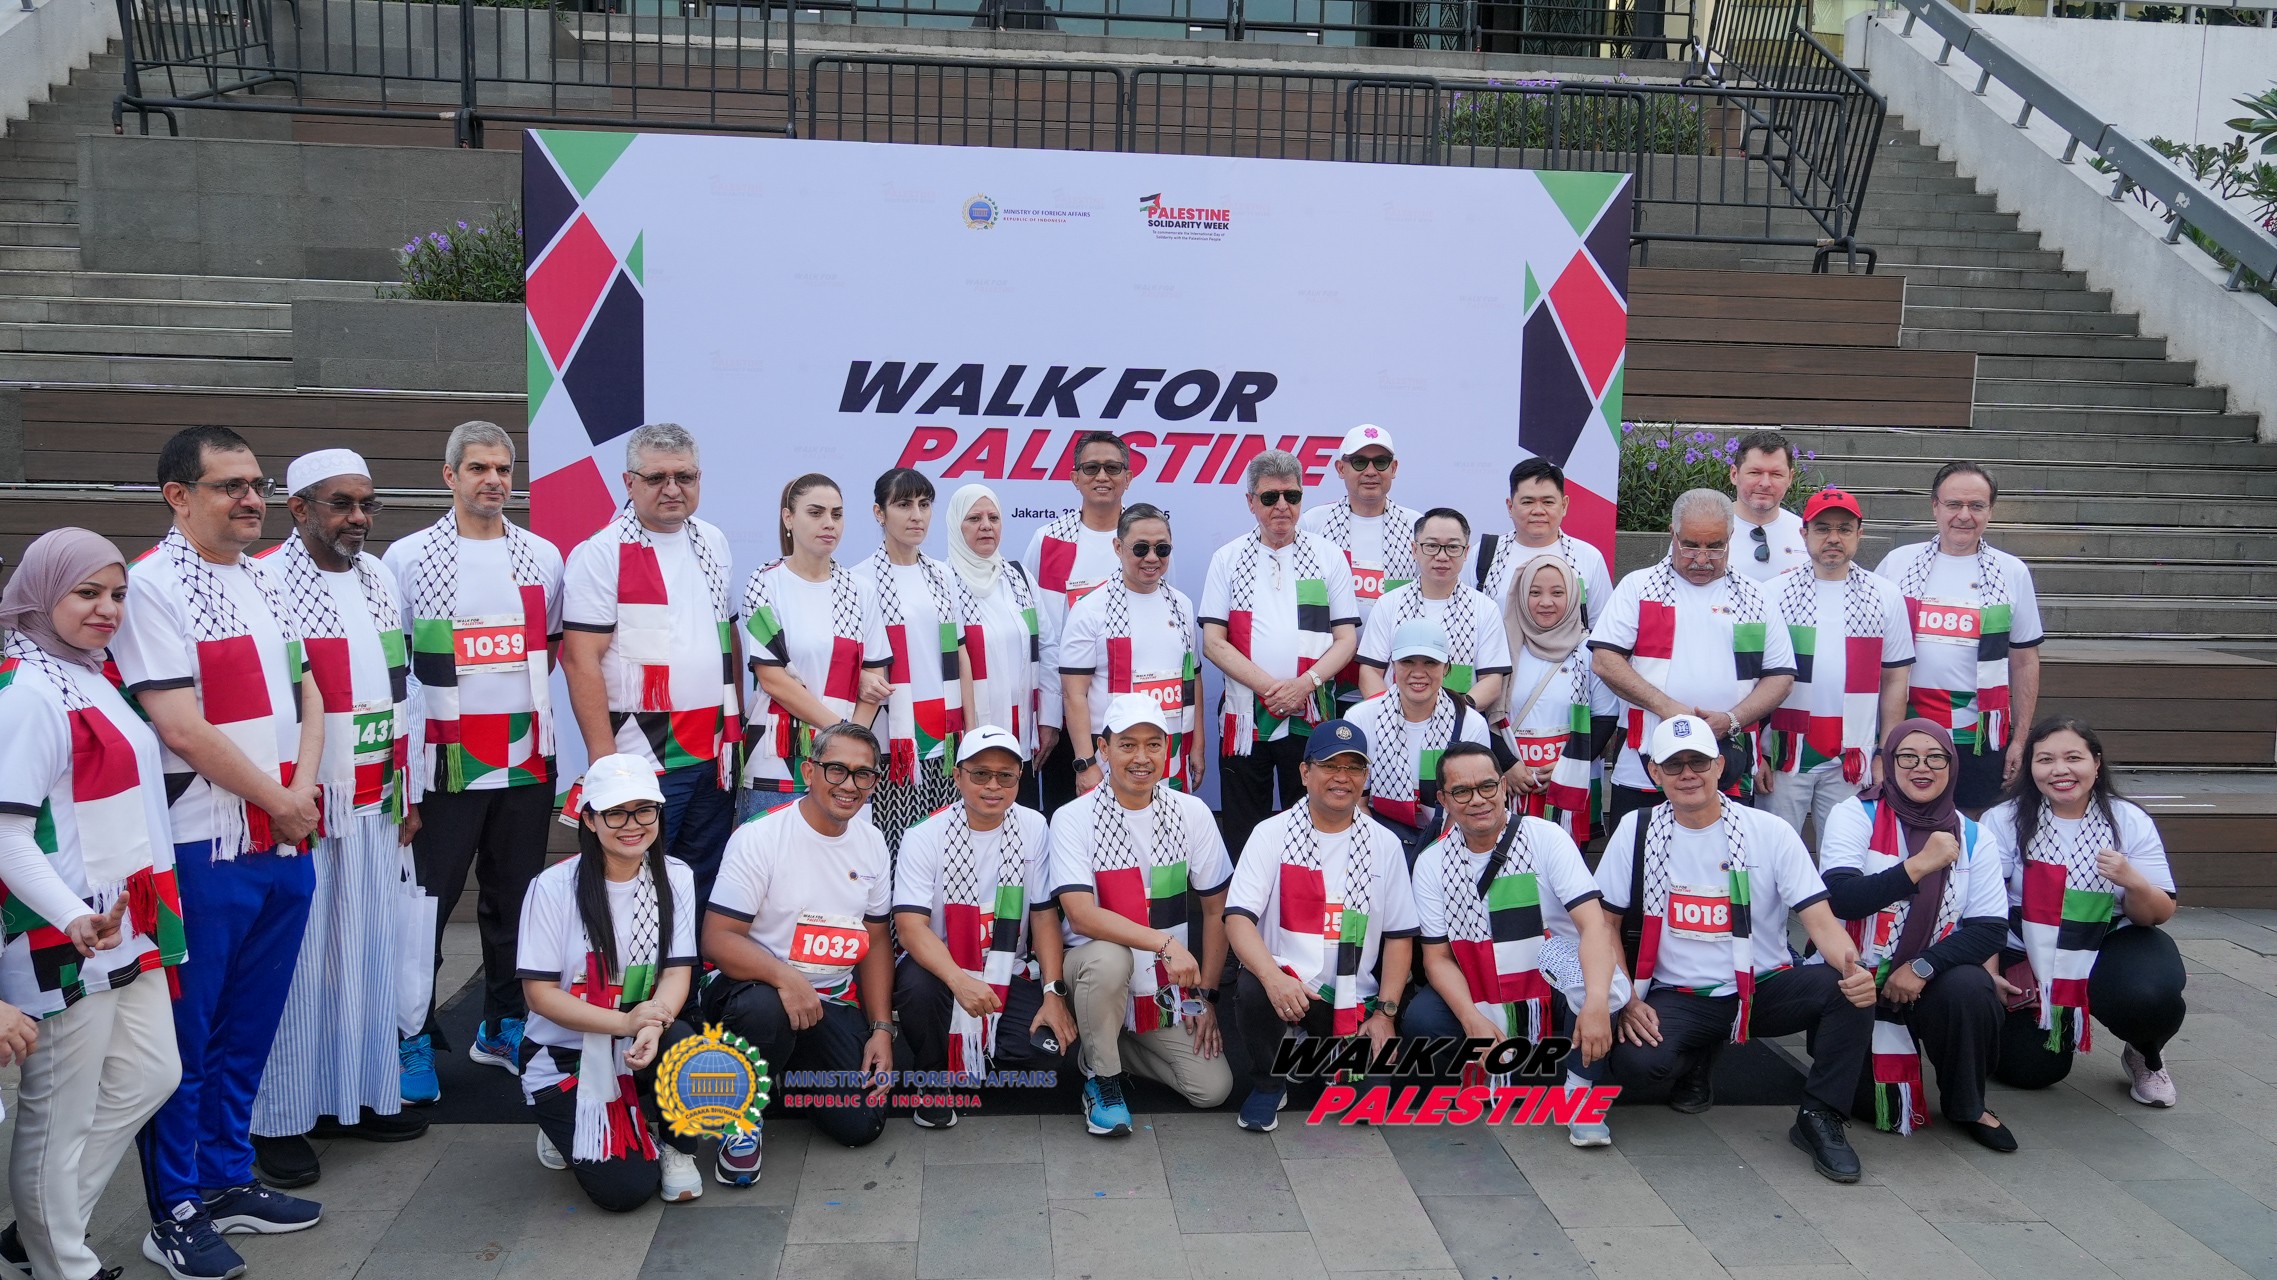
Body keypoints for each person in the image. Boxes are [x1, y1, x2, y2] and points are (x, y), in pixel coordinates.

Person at [115, 426, 326, 1280]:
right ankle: (174, 1210)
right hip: (202, 844)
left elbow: (310, 691)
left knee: (249, 1027)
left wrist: (299, 795)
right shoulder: (149, 586)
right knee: (188, 1039)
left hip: (282, 836)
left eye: (257, 485)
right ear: (178, 496)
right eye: (230, 485)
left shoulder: (267, 576)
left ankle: (228, 1177)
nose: (250, 499)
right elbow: (180, 727)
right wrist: (281, 800)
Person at [0, 529, 185, 1280]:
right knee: (60, 1112)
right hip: (60, 933)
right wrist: (72, 914)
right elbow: (6, 834)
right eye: (87, 593)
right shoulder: (26, 693)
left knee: (150, 1075)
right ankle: (63, 1264)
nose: (107, 608)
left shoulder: (89, 673)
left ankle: (39, 1234)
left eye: (117, 594)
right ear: (43, 593)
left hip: (124, 922)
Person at [250, 450, 429, 1189]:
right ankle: (280, 1117)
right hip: (305, 806)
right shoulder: (263, 580)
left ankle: (355, 1094)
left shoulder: (380, 575)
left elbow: (402, 689)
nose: (358, 517)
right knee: (298, 964)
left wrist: (408, 788)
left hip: (376, 798)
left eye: (367, 503)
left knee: (368, 952)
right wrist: (281, 798)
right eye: (341, 503)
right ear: (298, 508)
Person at [1597, 716, 1879, 1184]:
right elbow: (1605, 924)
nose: (1688, 774)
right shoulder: (1636, 829)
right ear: (1654, 773)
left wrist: (1855, 968)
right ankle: (1699, 1053)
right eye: (1674, 764)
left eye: (1699, 762)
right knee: (1638, 1065)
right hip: (1680, 992)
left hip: (1763, 987)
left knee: (1848, 991)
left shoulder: (1769, 830)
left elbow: (1820, 921)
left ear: (1719, 765)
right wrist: (1626, 997)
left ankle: (1820, 1116)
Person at [385, 419, 565, 1100]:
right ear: (449, 476)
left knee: (515, 901)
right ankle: (410, 1035)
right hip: (443, 764)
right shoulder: (406, 557)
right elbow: (397, 667)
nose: (493, 480)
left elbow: (550, 650)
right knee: (425, 906)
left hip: (524, 759)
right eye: (478, 468)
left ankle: (503, 1024)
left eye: (503, 469)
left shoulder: (542, 556)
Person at [1404, 741, 1629, 1148]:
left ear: (1504, 786)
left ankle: (1580, 1094)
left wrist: (1597, 1001)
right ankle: (1515, 1066)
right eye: (1461, 791)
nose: (1478, 800)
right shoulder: (1431, 863)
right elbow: (1436, 958)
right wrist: (1471, 1018)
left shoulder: (1546, 837)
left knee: (1601, 983)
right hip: (1479, 973)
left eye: (1487, 786)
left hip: (1548, 968)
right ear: (1443, 800)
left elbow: (1595, 926)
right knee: (1423, 1020)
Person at [703, 723, 897, 1184]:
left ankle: (781, 1067)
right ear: (809, 772)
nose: (849, 784)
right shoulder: (760, 837)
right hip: (754, 990)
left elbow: (875, 942)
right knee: (764, 1012)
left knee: (860, 1125)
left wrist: (882, 1028)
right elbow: (718, 939)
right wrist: (786, 978)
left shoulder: (872, 842)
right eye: (836, 769)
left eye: (863, 774)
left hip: (829, 998)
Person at [516, 753, 704, 1209]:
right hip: (566, 1053)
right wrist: (624, 1023)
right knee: (625, 1192)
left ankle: (676, 1145)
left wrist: (653, 1023)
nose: (632, 824)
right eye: (615, 812)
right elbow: (539, 995)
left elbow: (677, 972)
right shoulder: (552, 887)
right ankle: (562, 1125)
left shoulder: (676, 876)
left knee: (683, 1038)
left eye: (644, 810)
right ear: (590, 819)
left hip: (640, 1038)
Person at [562, 422, 740, 901]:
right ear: (629, 482)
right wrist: (606, 764)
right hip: (641, 755)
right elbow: (580, 660)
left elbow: (728, 637)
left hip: (714, 752)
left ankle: (689, 956)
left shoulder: (713, 542)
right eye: (657, 477)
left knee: (701, 881)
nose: (672, 489)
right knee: (635, 884)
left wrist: (737, 724)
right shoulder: (600, 553)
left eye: (685, 477)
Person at [1818, 720, 2012, 1148]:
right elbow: (1841, 898)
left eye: (1935, 757)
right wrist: (1919, 865)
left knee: (1971, 987)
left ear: (1952, 765)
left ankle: (1968, 1104)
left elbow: (1990, 930)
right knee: (1873, 1108)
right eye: (1907, 757)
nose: (1921, 767)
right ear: (1889, 763)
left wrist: (1922, 966)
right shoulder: (1855, 814)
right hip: (1854, 973)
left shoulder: (1974, 835)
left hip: (1926, 978)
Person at [1049, 694, 1234, 1137]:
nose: (1142, 757)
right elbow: (1081, 916)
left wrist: (1205, 996)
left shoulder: (1191, 812)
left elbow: (1217, 909)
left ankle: (1103, 1040)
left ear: (1167, 749)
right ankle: (1103, 1079)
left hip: (1161, 989)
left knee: (1213, 1089)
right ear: (1103, 748)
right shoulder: (1073, 817)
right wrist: (1165, 943)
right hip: (1091, 973)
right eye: (1127, 745)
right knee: (1110, 958)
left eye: (1153, 744)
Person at [1224, 718, 1418, 1133]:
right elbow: (1238, 918)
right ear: (1304, 772)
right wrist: (1273, 977)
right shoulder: (1271, 833)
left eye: (1354, 767)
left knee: (1367, 1108)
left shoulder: (1384, 843)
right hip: (1287, 986)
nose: (1342, 777)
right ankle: (1269, 1083)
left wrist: (1385, 1014)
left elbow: (1400, 936)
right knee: (1253, 986)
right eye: (1330, 765)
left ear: (1365, 777)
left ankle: (1319, 1051)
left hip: (1351, 998)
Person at [1983, 717, 2183, 1107]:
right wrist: (1989, 972)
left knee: (2148, 998)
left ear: (2097, 763)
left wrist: (2133, 881)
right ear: (2030, 767)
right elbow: (1985, 906)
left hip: (2108, 940)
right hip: (2026, 949)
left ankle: (2145, 1054)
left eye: (2073, 758)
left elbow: (2158, 913)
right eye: (2045, 760)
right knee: (2029, 1070)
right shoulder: (2003, 820)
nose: (2060, 770)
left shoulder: (2128, 820)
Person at [890, 726, 1075, 1129]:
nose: (993, 786)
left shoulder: (1033, 826)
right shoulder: (924, 836)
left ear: (1019, 778)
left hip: (1006, 968)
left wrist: (1053, 993)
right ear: (958, 776)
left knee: (1045, 1054)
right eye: (980, 774)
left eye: (1005, 775)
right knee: (918, 988)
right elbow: (910, 928)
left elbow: (1044, 915)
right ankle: (933, 1074)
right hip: (940, 968)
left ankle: (975, 1053)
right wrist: (960, 982)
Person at [1591, 490, 1795, 824]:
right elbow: (1604, 660)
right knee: (1640, 853)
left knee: (1729, 856)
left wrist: (1732, 719)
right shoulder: (1638, 587)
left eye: (1715, 546)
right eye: (1690, 545)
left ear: (1730, 537)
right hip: (1645, 763)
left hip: (1728, 760)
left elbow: (1781, 677)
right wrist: (1666, 708)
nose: (1702, 558)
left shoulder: (1756, 596)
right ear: (1672, 533)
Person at [1201, 450, 1361, 854]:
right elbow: (1213, 643)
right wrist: (1275, 691)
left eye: (1292, 496)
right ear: (1250, 502)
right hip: (1245, 718)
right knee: (1244, 831)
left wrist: (1303, 686)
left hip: (1311, 711)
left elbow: (1346, 640)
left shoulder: (1328, 556)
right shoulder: (1227, 558)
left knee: (1310, 826)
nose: (1282, 506)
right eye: (1270, 497)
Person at [1875, 463, 2045, 813]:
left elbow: (2025, 660)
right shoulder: (1898, 564)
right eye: (1954, 504)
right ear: (1934, 506)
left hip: (1977, 735)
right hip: (1906, 727)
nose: (1964, 515)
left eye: (1976, 505)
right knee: (1904, 824)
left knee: (1972, 827)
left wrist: (2020, 739)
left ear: (1990, 510)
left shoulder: (2011, 572)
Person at [1759, 488, 1914, 841]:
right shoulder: (1773, 593)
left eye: (1844, 529)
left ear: (1859, 534)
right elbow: (1754, 679)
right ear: (1804, 534)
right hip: (1784, 754)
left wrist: (1884, 754)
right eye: (1822, 528)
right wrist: (1756, 754)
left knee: (1844, 855)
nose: (1833, 538)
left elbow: (1895, 680)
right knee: (1776, 853)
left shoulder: (1885, 595)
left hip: (1853, 756)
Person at [741, 474, 891, 815]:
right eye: (815, 512)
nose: (829, 523)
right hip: (777, 761)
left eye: (837, 514)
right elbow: (773, 679)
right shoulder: (764, 583)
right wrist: (843, 736)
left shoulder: (860, 590)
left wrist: (847, 747)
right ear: (788, 518)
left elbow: (874, 679)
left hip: (844, 767)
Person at [857, 468, 976, 856]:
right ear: (879, 513)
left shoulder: (944, 576)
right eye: (904, 505)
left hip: (946, 740)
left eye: (924, 505)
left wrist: (972, 732)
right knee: (893, 852)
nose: (916, 515)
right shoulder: (858, 580)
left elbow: (959, 654)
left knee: (944, 855)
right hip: (891, 743)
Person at [1060, 504, 1206, 796]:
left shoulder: (1182, 605)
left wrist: (1198, 746)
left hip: (1172, 751)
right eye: (1140, 548)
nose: (1152, 558)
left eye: (1162, 549)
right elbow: (1073, 693)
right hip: (1110, 756)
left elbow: (1193, 679)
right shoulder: (1090, 609)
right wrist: (1085, 763)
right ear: (1118, 547)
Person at [1023, 430, 1134, 814]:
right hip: (1066, 713)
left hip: (1129, 713)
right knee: (1066, 819)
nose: (1102, 476)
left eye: (1113, 468)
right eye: (1091, 468)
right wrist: (1048, 716)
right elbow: (1039, 635)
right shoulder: (1048, 540)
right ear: (1075, 477)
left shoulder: (1144, 538)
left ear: (1128, 477)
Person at [1493, 554, 1618, 844]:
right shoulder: (1502, 645)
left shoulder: (1589, 650)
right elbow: (1485, 715)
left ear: (1573, 595)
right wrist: (1508, 764)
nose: (1546, 602)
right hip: (1512, 783)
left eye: (1558, 593)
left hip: (1569, 785)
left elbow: (1605, 717)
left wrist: (1567, 766)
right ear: (1521, 596)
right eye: (1534, 592)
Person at [1349, 618, 1491, 864]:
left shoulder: (1471, 724)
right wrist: (1383, 856)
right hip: (1377, 839)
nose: (1418, 673)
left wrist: (1436, 860)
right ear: (1393, 664)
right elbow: (1357, 803)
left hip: (1450, 840)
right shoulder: (1360, 717)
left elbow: (1469, 805)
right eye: (1407, 662)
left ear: (1445, 668)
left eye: (1430, 662)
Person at [1298, 424, 1421, 705]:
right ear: (1340, 468)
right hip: (1323, 682)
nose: (1370, 471)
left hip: (1394, 683)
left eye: (1381, 462)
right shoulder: (1314, 523)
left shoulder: (1416, 526)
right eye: (1359, 462)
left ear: (1394, 468)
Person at [1356, 507, 1512, 712]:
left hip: (1460, 721)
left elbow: (1491, 680)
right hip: (1394, 720)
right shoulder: (1389, 603)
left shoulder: (1485, 608)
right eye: (1431, 546)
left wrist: (1455, 715)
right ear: (1414, 549)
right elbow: (1370, 672)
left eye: (1453, 547)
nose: (1442, 556)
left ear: (1466, 552)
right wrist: (1392, 713)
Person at [946, 484, 1044, 765]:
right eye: (974, 518)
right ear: (956, 526)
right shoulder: (942, 582)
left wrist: (1047, 720)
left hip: (1023, 733)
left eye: (994, 518)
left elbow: (1047, 647)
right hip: (968, 736)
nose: (986, 526)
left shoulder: (1019, 578)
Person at [1475, 458, 1614, 629]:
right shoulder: (1484, 554)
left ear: (1564, 505)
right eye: (1528, 502)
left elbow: (1602, 629)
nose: (1538, 511)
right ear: (1510, 506)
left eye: (1548, 502)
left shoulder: (1588, 557)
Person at [1728, 431, 1809, 583]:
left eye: (1776, 474)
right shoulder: (1702, 531)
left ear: (1790, 478)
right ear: (1734, 474)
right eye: (1755, 472)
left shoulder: (1806, 534)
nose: (1765, 483)